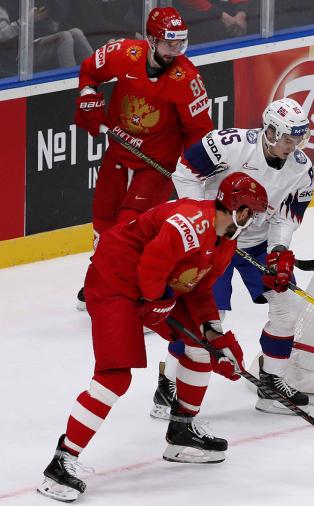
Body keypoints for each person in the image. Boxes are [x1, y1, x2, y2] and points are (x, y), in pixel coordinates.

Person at [37, 172, 268, 503]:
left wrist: (214, 336)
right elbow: (151, 266)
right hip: (114, 282)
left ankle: (181, 432)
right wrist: (157, 301)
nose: (256, 220)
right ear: (241, 211)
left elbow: (199, 289)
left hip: (155, 289)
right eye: (255, 213)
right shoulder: (189, 226)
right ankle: (61, 462)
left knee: (201, 348)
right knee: (113, 378)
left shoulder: (224, 241)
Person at [159, 97, 314, 416]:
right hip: (214, 237)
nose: (293, 145)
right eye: (288, 138)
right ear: (270, 131)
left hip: (256, 241)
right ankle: (168, 387)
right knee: (208, 318)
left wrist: (278, 253)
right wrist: (201, 221)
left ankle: (271, 383)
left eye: (298, 138)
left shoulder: (302, 171)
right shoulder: (229, 144)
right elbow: (186, 171)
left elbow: (285, 218)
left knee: (288, 306)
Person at [74, 6, 213, 309]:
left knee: (129, 228)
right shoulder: (124, 54)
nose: (174, 50)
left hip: (156, 166)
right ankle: (101, 279)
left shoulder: (186, 79)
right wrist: (88, 97)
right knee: (103, 220)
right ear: (150, 39)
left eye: (180, 44)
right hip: (119, 152)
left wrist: (189, 169)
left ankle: (132, 291)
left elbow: (200, 131)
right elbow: (89, 71)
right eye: (168, 43)